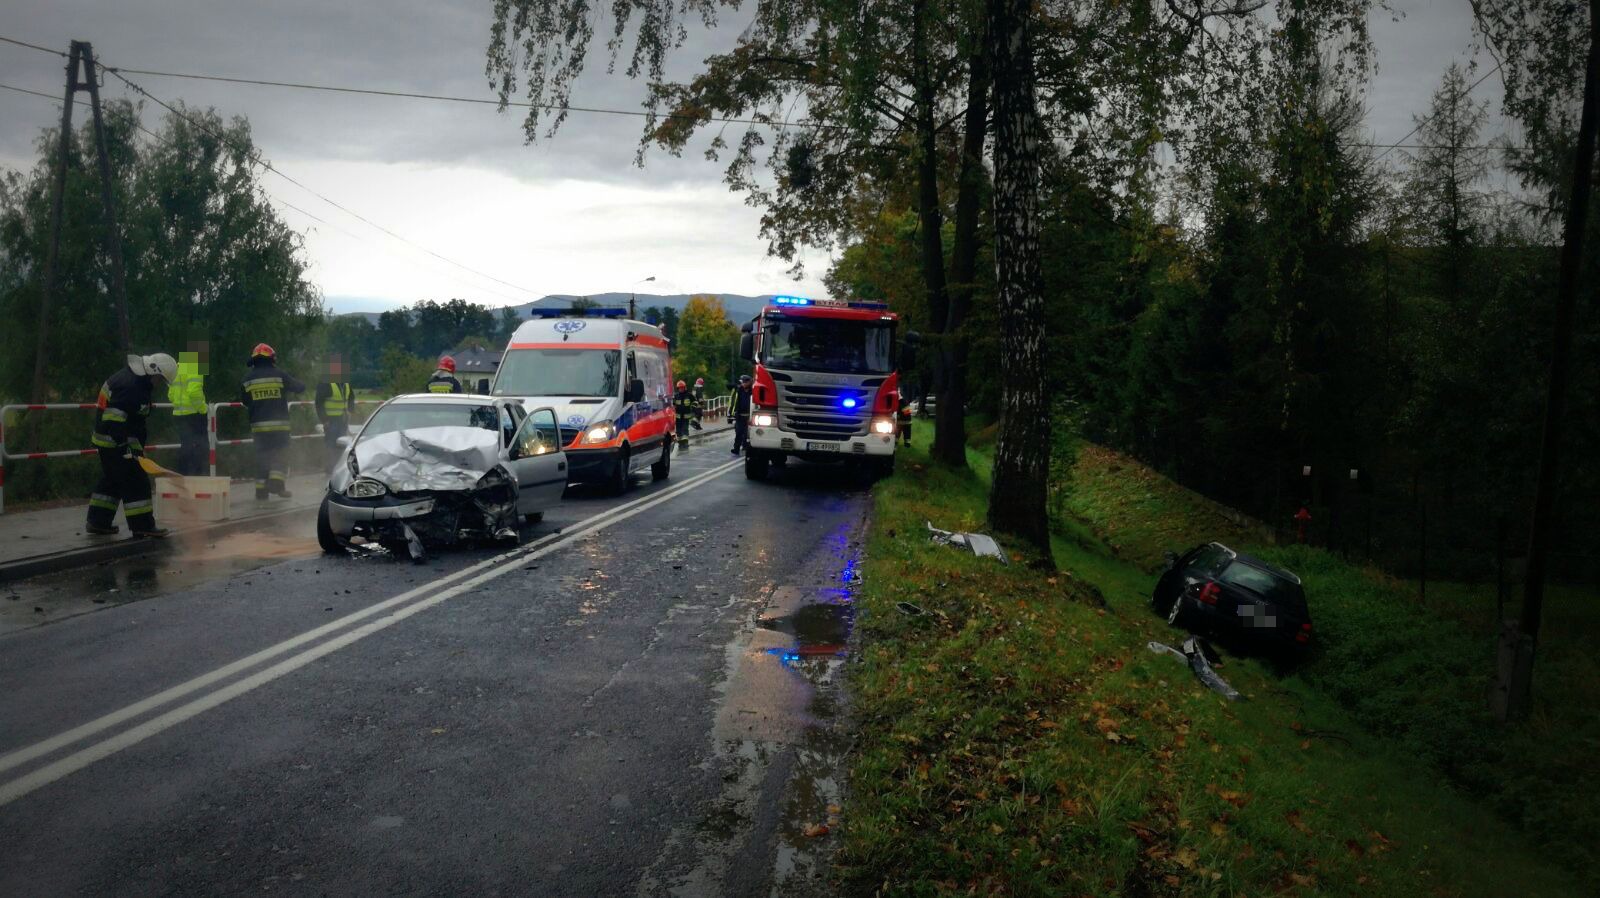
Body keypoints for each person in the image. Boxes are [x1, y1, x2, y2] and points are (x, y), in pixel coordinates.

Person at [87, 353, 176, 538]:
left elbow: (133, 417)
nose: (158, 383)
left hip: (112, 440)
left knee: (112, 480)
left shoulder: (136, 381)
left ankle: (98, 522)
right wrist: (124, 447)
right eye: (159, 379)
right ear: (152, 370)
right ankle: (142, 525)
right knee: (136, 481)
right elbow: (114, 419)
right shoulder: (130, 386)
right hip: (115, 441)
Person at [241, 343, 305, 500]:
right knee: (281, 454)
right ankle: (276, 484)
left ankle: (261, 491)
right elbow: (299, 387)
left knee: (262, 457)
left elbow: (245, 402)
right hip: (279, 427)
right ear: (271, 358)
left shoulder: (247, 380)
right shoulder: (279, 375)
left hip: (258, 428)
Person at [169, 341, 208, 475]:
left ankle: (182, 474)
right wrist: (202, 408)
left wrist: (178, 404)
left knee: (185, 446)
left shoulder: (179, 367)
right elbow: (194, 392)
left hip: (179, 413)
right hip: (194, 413)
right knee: (199, 446)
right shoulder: (195, 366)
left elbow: (170, 394)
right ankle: (197, 476)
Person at [315, 354, 353, 462]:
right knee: (331, 445)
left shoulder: (345, 383)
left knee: (342, 444)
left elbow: (351, 397)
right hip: (331, 421)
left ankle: (339, 466)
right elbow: (319, 403)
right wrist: (324, 420)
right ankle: (330, 468)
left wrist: (350, 411)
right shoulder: (326, 383)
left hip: (342, 419)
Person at [731, 374, 753, 455]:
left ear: (748, 383)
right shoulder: (739, 390)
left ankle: (747, 447)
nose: (743, 384)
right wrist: (733, 413)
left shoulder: (752, 391)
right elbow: (735, 402)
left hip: (749, 416)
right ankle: (736, 448)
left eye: (744, 382)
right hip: (740, 416)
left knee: (747, 433)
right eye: (742, 382)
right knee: (738, 432)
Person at [672, 379, 697, 451]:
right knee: (678, 431)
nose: (681, 389)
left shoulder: (689, 395)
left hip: (686, 416)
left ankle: (685, 443)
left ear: (685, 387)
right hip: (678, 417)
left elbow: (695, 402)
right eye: (680, 388)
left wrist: (693, 408)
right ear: (678, 388)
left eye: (682, 387)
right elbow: (673, 404)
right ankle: (680, 443)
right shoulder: (676, 396)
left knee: (685, 430)